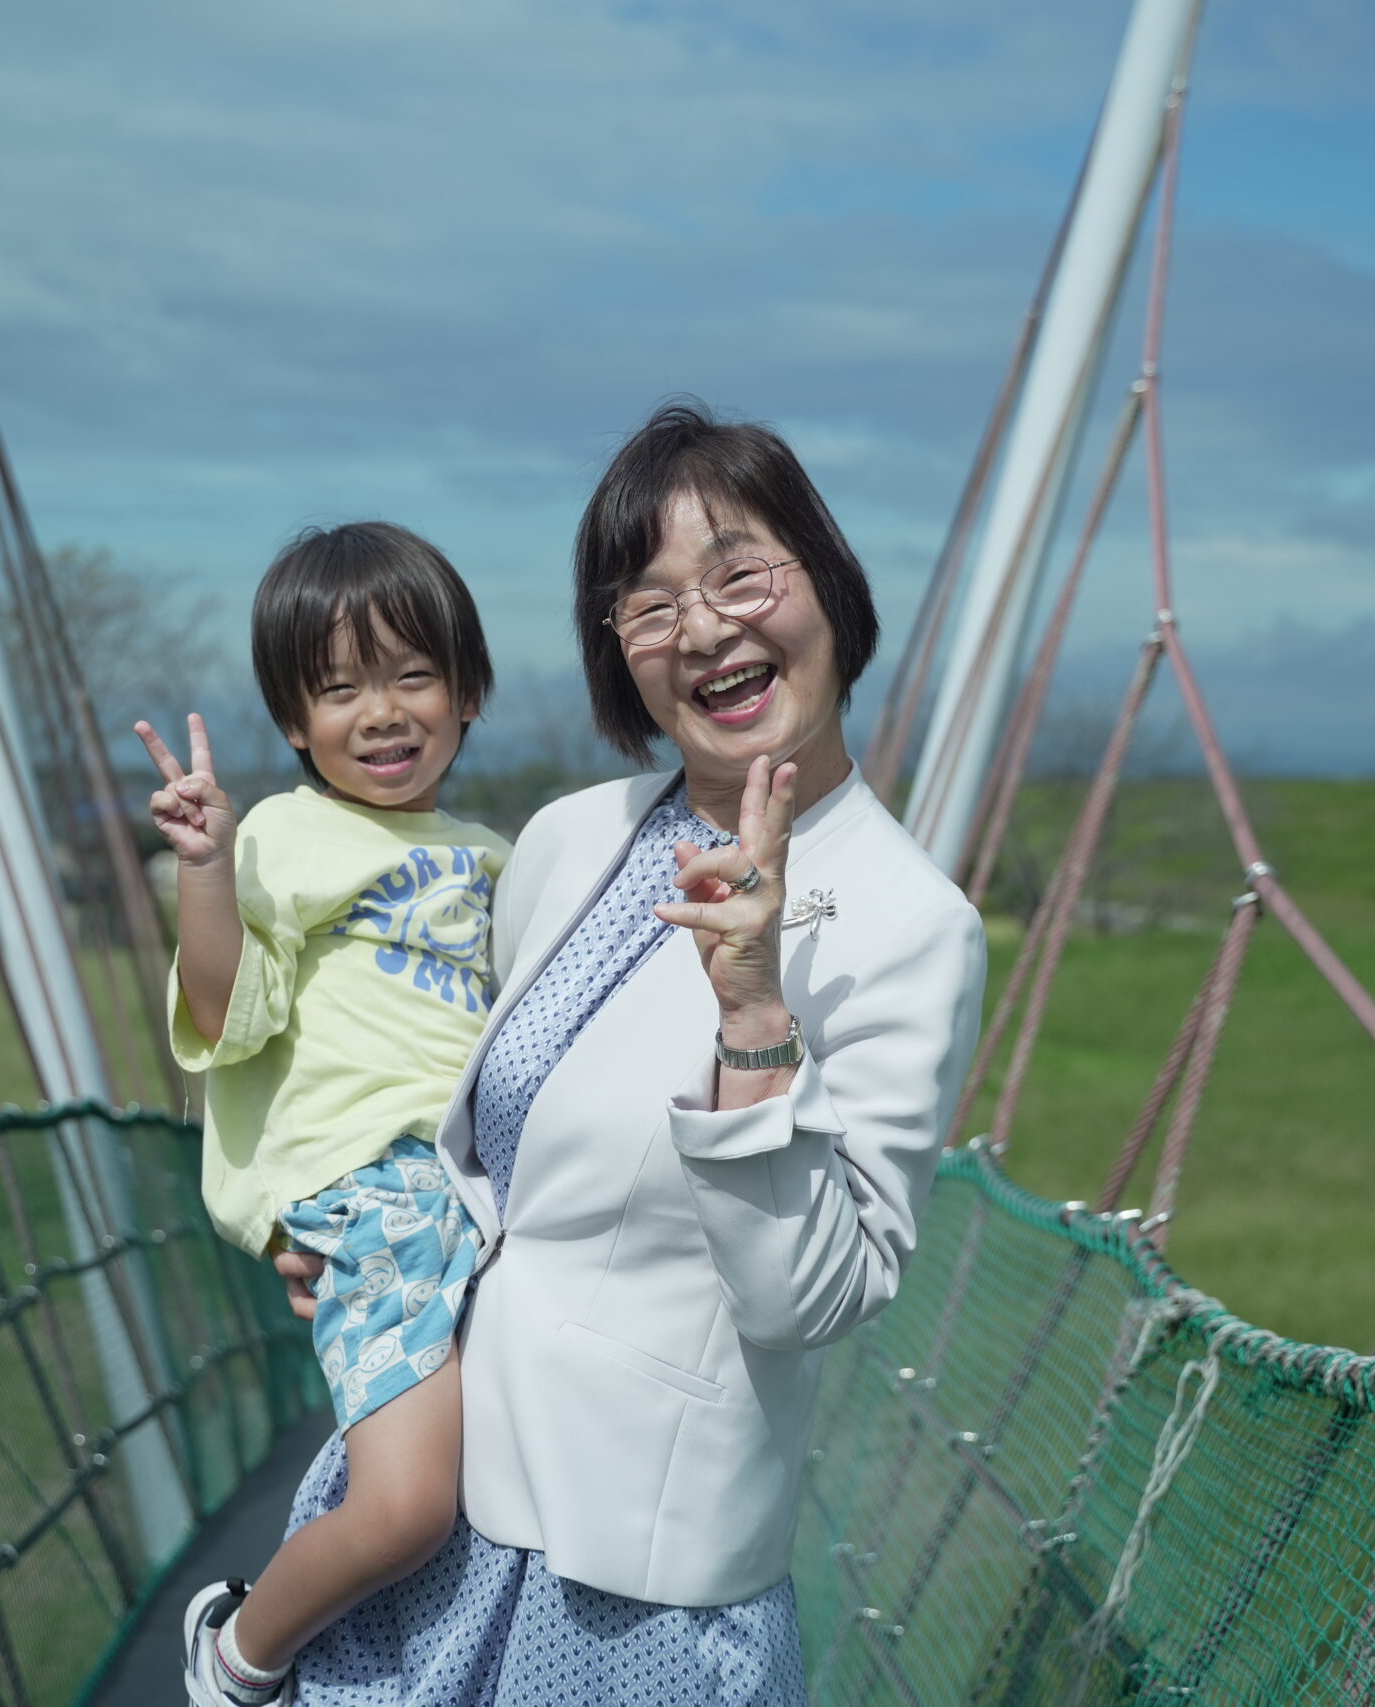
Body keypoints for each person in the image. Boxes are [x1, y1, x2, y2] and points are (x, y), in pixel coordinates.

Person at [273, 401, 989, 1704]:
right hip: (436, 1504)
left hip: (629, 1583)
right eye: (649, 605)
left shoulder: (911, 923)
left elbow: (807, 1299)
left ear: (828, 584)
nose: (705, 627)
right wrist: (364, 1246)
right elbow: (496, 1154)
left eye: (741, 572)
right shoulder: (568, 835)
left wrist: (756, 1014)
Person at [138, 521, 511, 1707]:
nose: (383, 713)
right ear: (295, 724)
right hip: (373, 1192)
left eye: (412, 676)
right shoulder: (286, 839)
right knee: (406, 1507)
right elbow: (226, 1013)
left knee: (496, 1486)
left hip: (485, 1195)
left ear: (467, 693)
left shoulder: (496, 857)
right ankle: (240, 1658)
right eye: (339, 690)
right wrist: (208, 866)